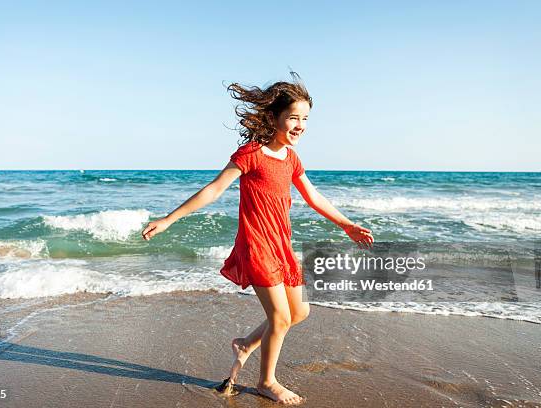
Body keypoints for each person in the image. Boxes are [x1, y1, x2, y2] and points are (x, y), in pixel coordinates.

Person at [142, 73, 374, 405]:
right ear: (273, 117)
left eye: (305, 119)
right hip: (256, 245)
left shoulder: (291, 158)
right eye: (293, 117)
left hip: (282, 244)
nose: (300, 125)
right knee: (280, 317)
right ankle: (267, 381)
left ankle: (247, 344)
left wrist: (346, 224)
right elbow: (214, 189)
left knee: (299, 312)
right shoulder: (251, 153)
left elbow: (313, 196)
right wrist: (169, 219)